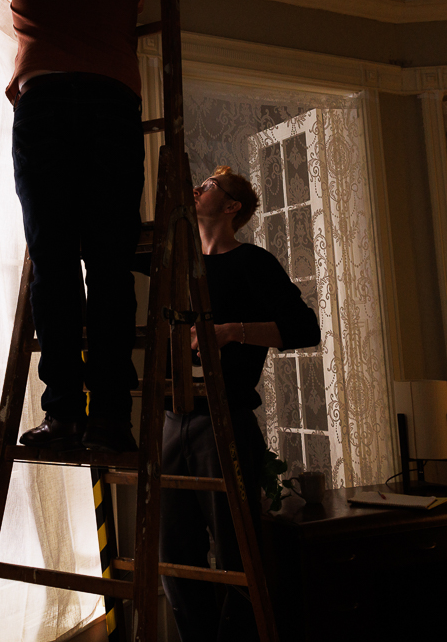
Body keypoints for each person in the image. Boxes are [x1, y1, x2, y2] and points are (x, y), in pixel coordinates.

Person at [9, 0, 151, 453]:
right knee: (111, 264)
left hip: (45, 105)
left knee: (55, 261)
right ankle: (113, 419)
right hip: (111, 109)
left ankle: (64, 414)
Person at [161, 165, 321, 642]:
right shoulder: (175, 260)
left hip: (224, 424)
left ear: (230, 207)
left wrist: (234, 331)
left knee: (236, 556)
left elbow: (305, 329)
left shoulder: (253, 262)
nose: (197, 189)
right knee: (174, 558)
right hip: (172, 421)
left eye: (207, 186)